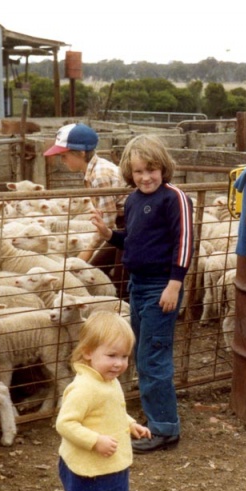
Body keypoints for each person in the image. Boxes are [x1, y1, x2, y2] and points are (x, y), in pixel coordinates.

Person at [90, 134, 194, 453]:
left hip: (161, 287)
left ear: (163, 167)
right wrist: (110, 235)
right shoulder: (134, 200)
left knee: (153, 357)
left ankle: (165, 428)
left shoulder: (174, 197)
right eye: (138, 172)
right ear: (129, 173)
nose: (145, 177)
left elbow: (185, 241)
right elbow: (134, 241)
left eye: (151, 169)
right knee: (141, 352)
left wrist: (175, 284)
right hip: (137, 285)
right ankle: (153, 416)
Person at [56, 311, 151, 491]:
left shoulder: (107, 380)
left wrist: (130, 423)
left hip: (108, 465)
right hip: (95, 471)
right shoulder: (85, 388)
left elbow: (110, 410)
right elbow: (65, 423)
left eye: (124, 356)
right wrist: (95, 441)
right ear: (88, 352)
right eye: (112, 356)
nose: (119, 363)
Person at [44, 123, 127, 269]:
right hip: (120, 228)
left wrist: (86, 253)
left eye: (64, 155)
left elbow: (107, 222)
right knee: (98, 268)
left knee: (121, 278)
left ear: (81, 152)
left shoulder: (100, 175)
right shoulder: (93, 171)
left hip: (131, 227)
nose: (62, 161)